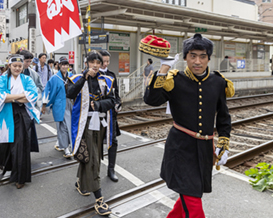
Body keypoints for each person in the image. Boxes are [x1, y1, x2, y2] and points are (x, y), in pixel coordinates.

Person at [144, 34, 234, 217]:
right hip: (180, 149)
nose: (197, 61)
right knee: (193, 203)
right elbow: (151, 100)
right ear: (185, 57)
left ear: (209, 57)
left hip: (204, 149)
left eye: (202, 56)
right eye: (192, 55)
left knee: (189, 195)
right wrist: (164, 68)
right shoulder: (174, 80)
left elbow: (224, 116)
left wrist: (223, 142)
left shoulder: (218, 82)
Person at [66, 51, 116, 216]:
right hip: (83, 124)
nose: (95, 65)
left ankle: (81, 183)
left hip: (100, 124)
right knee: (93, 158)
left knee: (89, 155)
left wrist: (98, 105)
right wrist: (84, 78)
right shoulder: (76, 78)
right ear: (86, 63)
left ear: (101, 64)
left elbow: (114, 101)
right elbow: (70, 93)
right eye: (92, 62)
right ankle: (99, 199)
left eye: (98, 62)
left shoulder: (106, 80)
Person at [0, 55, 40, 189]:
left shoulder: (27, 79)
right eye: (15, 66)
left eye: (20, 66)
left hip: (21, 114)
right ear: (9, 66)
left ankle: (20, 177)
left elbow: (32, 96)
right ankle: (3, 162)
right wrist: (20, 96)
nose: (17, 68)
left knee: (21, 145)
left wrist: (10, 97)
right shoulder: (2, 79)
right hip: (5, 114)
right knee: (4, 144)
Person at [41, 57, 73, 158]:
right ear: (59, 65)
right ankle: (66, 148)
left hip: (70, 104)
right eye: (62, 64)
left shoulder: (71, 76)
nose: (64, 66)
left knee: (69, 125)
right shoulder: (54, 78)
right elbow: (47, 90)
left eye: (66, 64)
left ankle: (60, 143)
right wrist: (44, 104)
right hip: (59, 105)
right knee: (63, 126)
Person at [99, 50, 122, 182]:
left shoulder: (112, 75)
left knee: (113, 141)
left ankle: (111, 170)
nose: (105, 64)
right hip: (97, 114)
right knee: (96, 142)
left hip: (111, 114)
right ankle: (94, 171)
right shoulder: (93, 75)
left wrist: (118, 104)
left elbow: (116, 95)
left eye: (107, 61)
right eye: (103, 61)